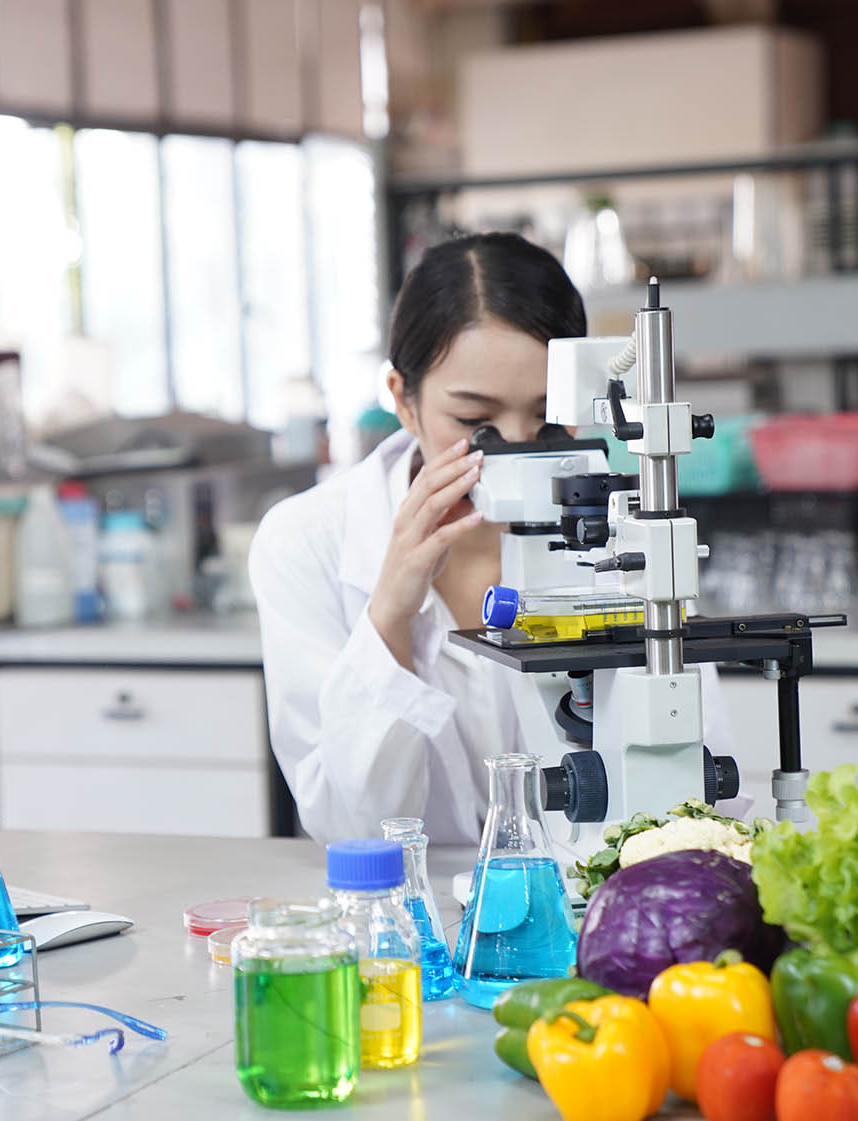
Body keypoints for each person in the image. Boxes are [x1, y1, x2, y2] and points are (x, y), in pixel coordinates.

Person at [250, 232, 736, 845]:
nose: (518, 448)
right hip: (409, 909)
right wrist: (391, 613)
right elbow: (353, 831)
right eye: (476, 424)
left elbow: (695, 793)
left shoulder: (625, 537)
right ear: (403, 398)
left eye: (546, 417)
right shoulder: (308, 539)